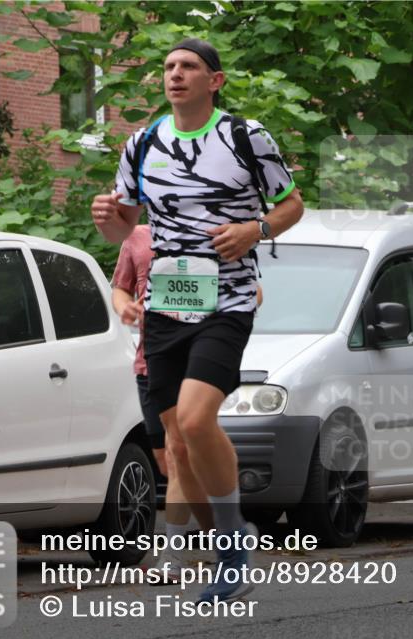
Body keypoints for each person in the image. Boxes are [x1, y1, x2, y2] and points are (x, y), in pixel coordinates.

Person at [92, 38, 303, 603]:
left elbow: (291, 205)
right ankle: (224, 541)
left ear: (215, 80)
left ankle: (233, 540)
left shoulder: (244, 136)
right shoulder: (141, 143)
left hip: (226, 301)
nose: (175, 74)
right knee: (179, 442)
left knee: (195, 415)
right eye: (168, 67)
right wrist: (107, 221)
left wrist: (255, 230)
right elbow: (126, 228)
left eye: (188, 67)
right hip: (164, 306)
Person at [110, 224, 214, 584]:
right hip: (149, 363)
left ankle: (171, 556)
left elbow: (255, 293)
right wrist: (126, 308)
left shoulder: (215, 233)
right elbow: (120, 288)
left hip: (198, 364)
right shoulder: (137, 238)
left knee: (177, 451)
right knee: (169, 464)